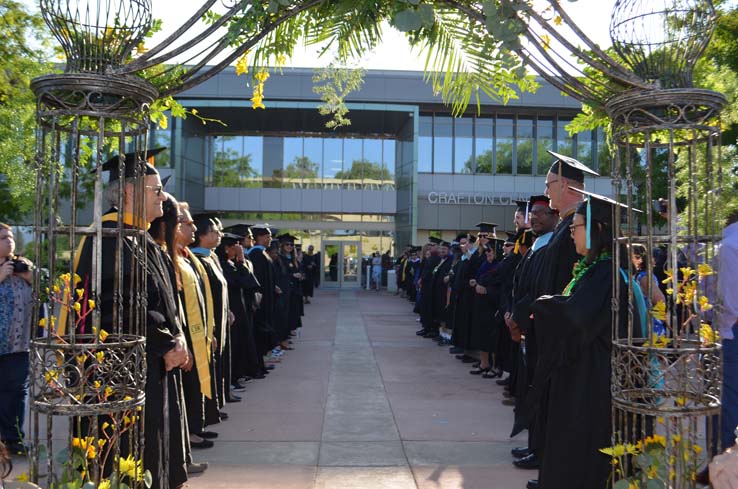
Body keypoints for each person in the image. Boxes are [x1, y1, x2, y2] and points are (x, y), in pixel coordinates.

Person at [73, 150, 190, 488]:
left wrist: (177, 337)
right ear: (128, 193)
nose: (163, 198)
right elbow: (116, 308)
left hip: (148, 363)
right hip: (122, 371)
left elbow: (159, 302)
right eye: (156, 190)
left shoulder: (138, 238)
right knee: (129, 451)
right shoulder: (110, 240)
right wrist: (166, 343)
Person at [528, 190, 632, 489]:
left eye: (576, 228)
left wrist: (541, 306)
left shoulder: (605, 272)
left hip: (592, 381)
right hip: (584, 375)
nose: (571, 234)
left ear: (598, 229)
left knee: (579, 452)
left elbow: (575, 317)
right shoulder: (598, 268)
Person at [0, 223, 33, 455]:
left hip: (19, 344)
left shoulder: (22, 265)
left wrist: (31, 277)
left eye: (10, 236)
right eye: (2, 237)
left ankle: (14, 439)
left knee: (16, 392)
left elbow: (49, 292)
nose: (9, 240)